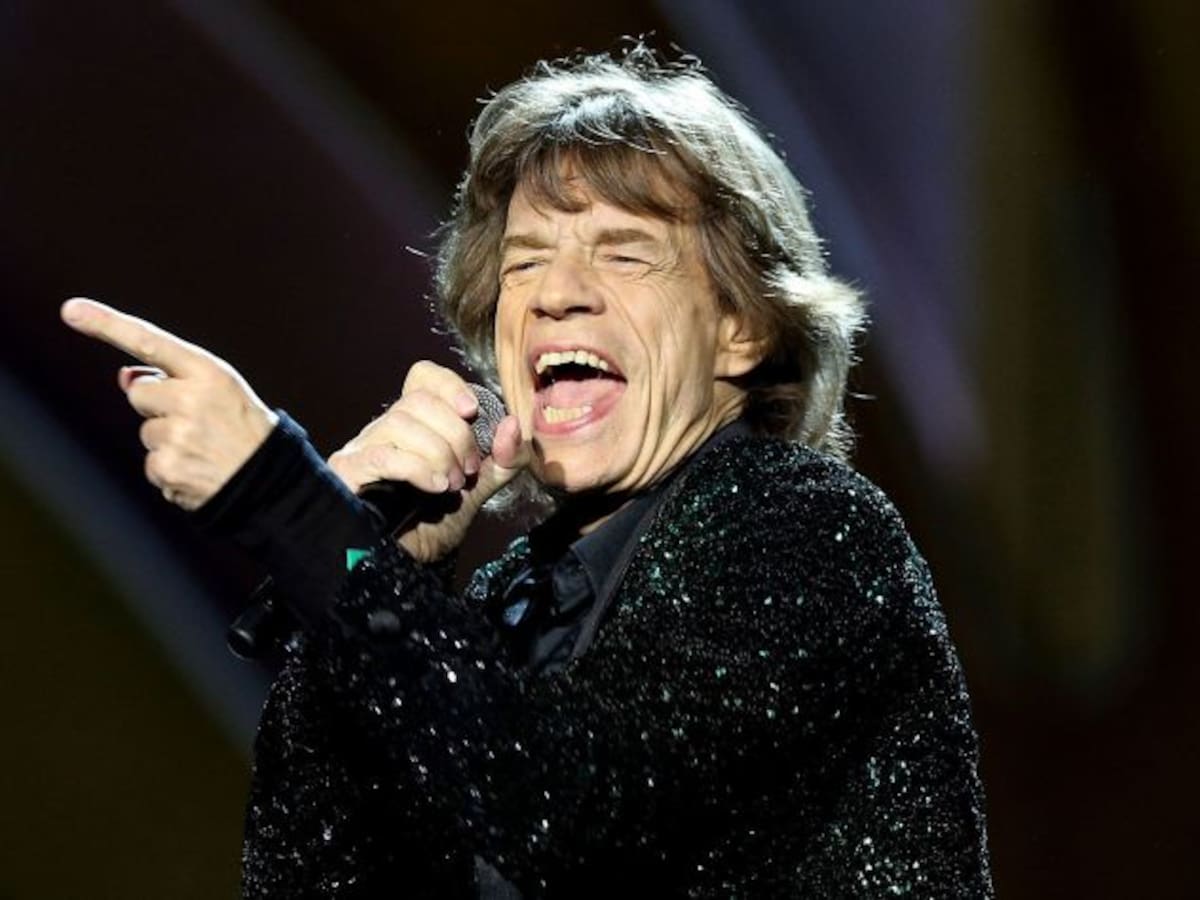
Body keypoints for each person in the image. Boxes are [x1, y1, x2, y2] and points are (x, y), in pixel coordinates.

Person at [62, 46, 993, 898]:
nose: (556, 293)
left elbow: (577, 818)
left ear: (742, 328)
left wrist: (286, 501)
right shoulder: (508, 605)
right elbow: (309, 880)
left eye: (625, 254)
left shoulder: (809, 532)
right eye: (526, 261)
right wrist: (376, 564)